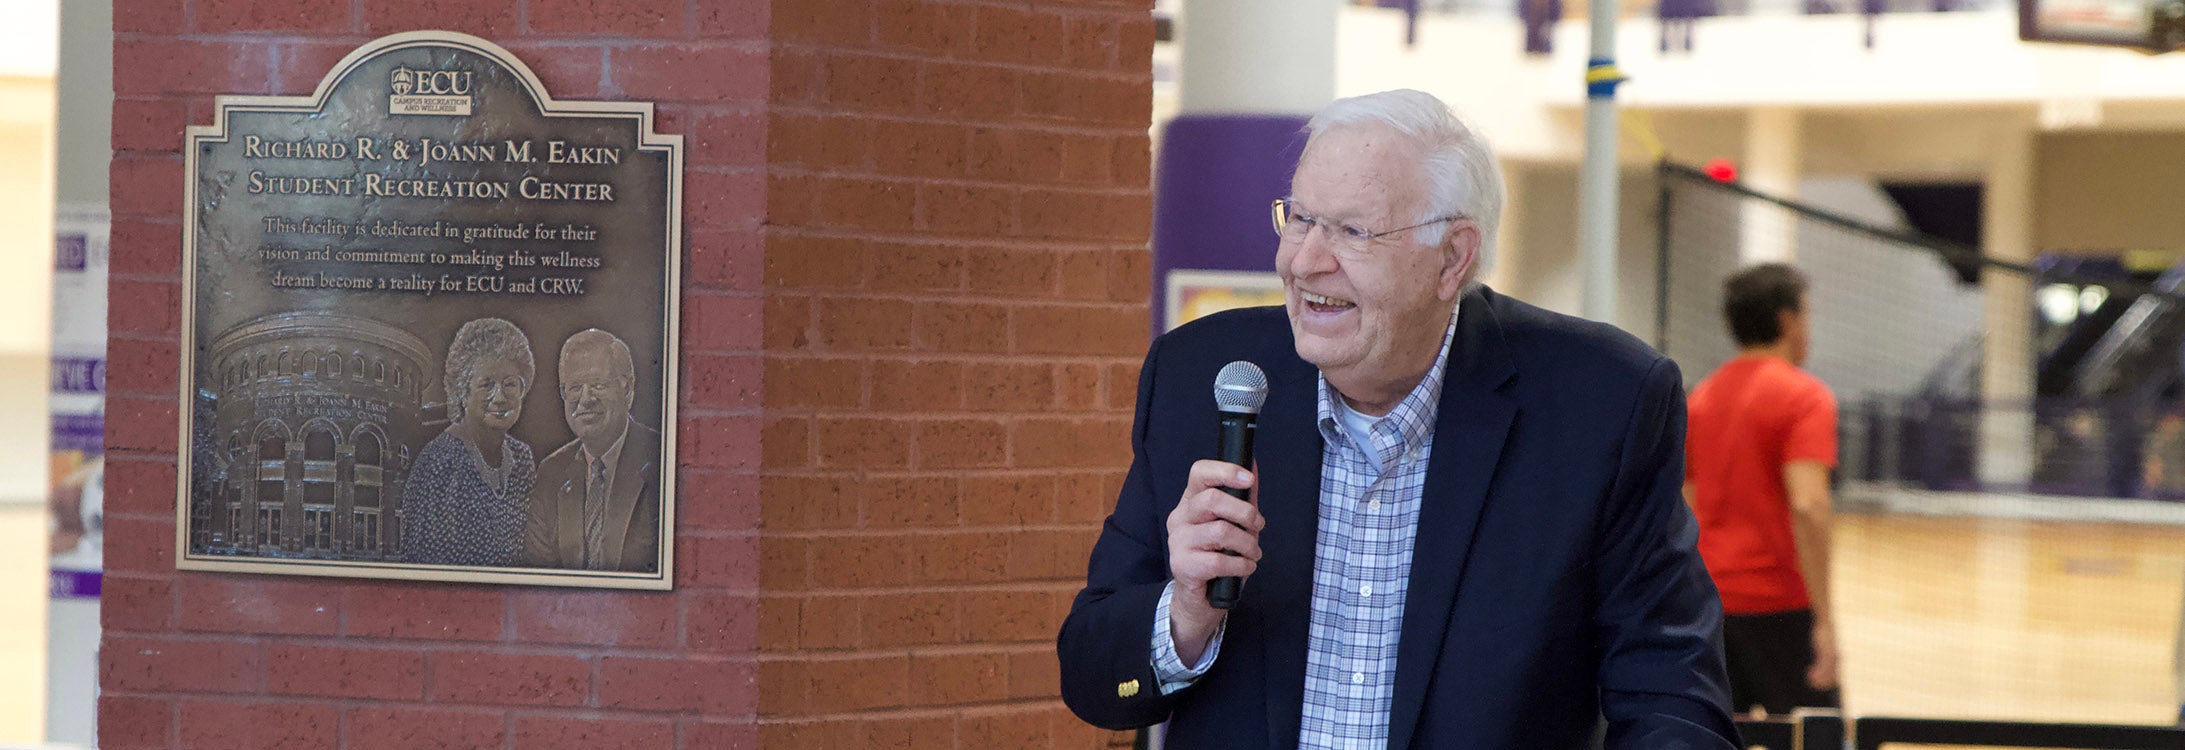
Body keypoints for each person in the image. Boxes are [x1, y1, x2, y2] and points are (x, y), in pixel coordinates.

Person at [1057, 89, 1738, 748]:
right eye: (1298, 219)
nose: (1303, 263)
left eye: (1352, 231)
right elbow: (1091, 678)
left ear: (1452, 257)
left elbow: (1669, 697)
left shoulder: (1601, 403)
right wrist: (1186, 612)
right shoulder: (1199, 377)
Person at [1684, 264, 1840, 716]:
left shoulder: (1702, 399)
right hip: (1780, 606)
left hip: (1710, 607)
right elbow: (1809, 504)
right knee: (1813, 735)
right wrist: (1825, 621)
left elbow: (1686, 506)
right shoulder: (1805, 397)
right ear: (1789, 321)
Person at [402, 318, 538, 567]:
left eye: (509, 384)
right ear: (463, 393)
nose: (499, 397)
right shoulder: (438, 464)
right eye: (486, 385)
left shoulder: (523, 459)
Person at [525, 329, 661, 572]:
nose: (585, 399)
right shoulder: (551, 473)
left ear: (627, 390)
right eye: (575, 387)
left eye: (598, 385)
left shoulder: (661, 460)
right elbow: (540, 576)